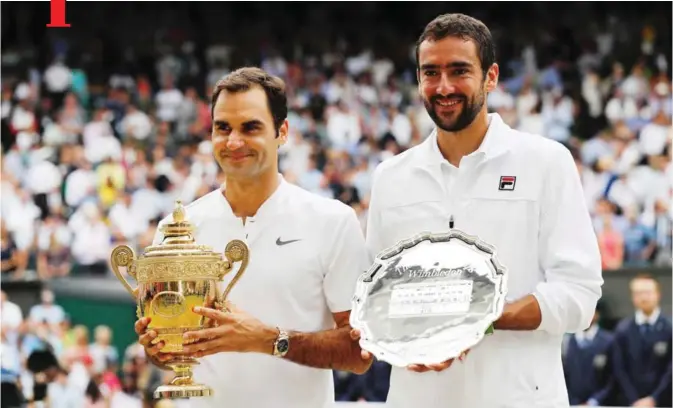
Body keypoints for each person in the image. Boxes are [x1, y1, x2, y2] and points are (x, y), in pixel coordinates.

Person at [355, 13, 603, 408]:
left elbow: (580, 294)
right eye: (430, 72)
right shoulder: (390, 176)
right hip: (417, 397)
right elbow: (374, 297)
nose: (444, 86)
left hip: (519, 397)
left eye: (459, 71)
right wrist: (397, 339)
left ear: (491, 77)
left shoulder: (546, 162)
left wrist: (479, 317)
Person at [134, 67, 372, 408]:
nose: (233, 141)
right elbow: (170, 353)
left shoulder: (332, 221)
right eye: (222, 128)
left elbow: (358, 353)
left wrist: (269, 340)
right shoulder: (178, 228)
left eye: (250, 127)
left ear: (282, 132)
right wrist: (157, 348)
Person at [611, 274, 672, 407]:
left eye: (648, 293)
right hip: (631, 402)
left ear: (658, 294)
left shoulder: (670, 328)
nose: (644, 297)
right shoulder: (623, 330)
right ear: (632, 297)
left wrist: (654, 399)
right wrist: (634, 400)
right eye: (639, 293)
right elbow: (619, 369)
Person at [562, 303, 615, 406]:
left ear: (597, 314)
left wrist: (594, 401)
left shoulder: (608, 341)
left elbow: (613, 377)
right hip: (572, 403)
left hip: (600, 403)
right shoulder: (567, 342)